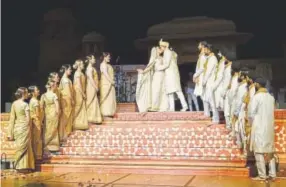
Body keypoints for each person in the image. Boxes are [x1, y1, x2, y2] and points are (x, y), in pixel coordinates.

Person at [248, 77, 276, 181]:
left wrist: (251, 125)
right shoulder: (270, 97)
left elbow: (250, 114)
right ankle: (272, 174)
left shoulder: (256, 97)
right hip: (269, 127)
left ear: (257, 84)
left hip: (259, 127)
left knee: (259, 151)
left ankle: (262, 175)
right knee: (270, 151)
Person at [7, 87, 35, 172]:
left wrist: (10, 133)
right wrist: (29, 127)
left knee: (21, 146)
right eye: (26, 93)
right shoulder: (25, 105)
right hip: (24, 128)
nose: (28, 94)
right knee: (25, 147)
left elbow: (12, 119)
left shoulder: (14, 104)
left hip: (17, 128)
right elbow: (28, 119)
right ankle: (21, 165)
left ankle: (20, 166)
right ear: (23, 94)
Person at [157, 39, 188, 111]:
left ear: (164, 46)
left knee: (177, 90)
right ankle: (172, 108)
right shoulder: (172, 52)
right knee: (170, 91)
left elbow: (167, 64)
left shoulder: (167, 52)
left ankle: (185, 106)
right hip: (171, 73)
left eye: (161, 46)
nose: (160, 48)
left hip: (171, 73)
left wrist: (159, 68)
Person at [136, 46, 169, 112]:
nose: (160, 50)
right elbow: (149, 67)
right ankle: (154, 106)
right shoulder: (154, 59)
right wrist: (143, 71)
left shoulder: (163, 58)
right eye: (158, 49)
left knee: (163, 91)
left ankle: (162, 107)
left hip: (163, 76)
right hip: (157, 76)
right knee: (156, 91)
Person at [40, 81, 60, 152]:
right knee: (54, 128)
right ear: (52, 86)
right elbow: (57, 106)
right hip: (53, 113)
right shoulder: (54, 95)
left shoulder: (43, 96)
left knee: (47, 129)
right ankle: (53, 146)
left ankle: (46, 145)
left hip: (47, 114)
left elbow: (41, 107)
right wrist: (58, 114)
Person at [201, 44, 219, 123]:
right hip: (208, 81)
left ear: (209, 50)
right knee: (208, 100)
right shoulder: (209, 58)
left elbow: (208, 71)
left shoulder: (212, 59)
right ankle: (213, 117)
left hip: (211, 81)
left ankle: (216, 119)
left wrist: (204, 81)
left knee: (212, 101)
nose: (204, 51)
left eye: (205, 49)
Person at [232, 70, 249, 151]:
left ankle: (245, 150)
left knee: (241, 129)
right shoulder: (242, 86)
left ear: (243, 77)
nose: (238, 77)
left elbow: (239, 101)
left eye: (239, 75)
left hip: (241, 110)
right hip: (241, 110)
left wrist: (236, 112)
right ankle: (242, 147)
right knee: (238, 128)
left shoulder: (243, 87)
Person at [58, 64, 74, 142]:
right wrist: (72, 100)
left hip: (65, 99)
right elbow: (68, 92)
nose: (70, 71)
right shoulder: (65, 80)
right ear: (65, 70)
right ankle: (64, 134)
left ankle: (64, 133)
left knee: (66, 116)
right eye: (69, 69)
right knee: (66, 116)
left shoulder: (64, 79)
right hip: (66, 100)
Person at [86, 54, 102, 123]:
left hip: (92, 86)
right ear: (90, 60)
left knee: (94, 100)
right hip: (91, 86)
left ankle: (94, 117)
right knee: (91, 100)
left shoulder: (91, 68)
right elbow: (91, 78)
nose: (94, 60)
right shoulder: (89, 68)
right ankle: (90, 117)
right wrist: (95, 87)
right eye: (93, 58)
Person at [28, 85, 43, 160]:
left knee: (35, 139)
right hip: (36, 121)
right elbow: (38, 114)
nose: (38, 91)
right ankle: (37, 156)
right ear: (33, 93)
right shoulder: (35, 101)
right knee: (37, 139)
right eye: (36, 90)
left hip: (34, 121)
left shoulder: (31, 100)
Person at [73, 59, 89, 129]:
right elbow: (78, 85)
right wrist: (83, 94)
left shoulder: (81, 73)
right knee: (78, 106)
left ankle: (81, 124)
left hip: (81, 91)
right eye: (82, 64)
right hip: (78, 92)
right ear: (79, 65)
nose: (83, 65)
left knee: (82, 107)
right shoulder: (77, 73)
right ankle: (75, 123)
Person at [100, 52, 117, 116]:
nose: (109, 58)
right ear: (104, 57)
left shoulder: (108, 65)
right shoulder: (103, 64)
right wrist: (111, 81)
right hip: (106, 84)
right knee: (106, 98)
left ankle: (111, 111)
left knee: (111, 97)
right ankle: (106, 112)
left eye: (109, 57)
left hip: (110, 83)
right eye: (108, 57)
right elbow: (105, 74)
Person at [224, 64, 239, 130]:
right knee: (227, 112)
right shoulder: (232, 77)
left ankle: (231, 128)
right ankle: (228, 126)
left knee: (232, 113)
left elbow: (234, 90)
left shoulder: (237, 79)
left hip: (234, 99)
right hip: (229, 97)